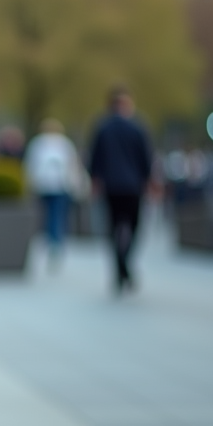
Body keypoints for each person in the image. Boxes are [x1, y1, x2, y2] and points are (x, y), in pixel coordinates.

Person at [88, 86, 153, 293]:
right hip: (133, 186)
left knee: (112, 228)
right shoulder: (138, 127)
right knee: (134, 227)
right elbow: (146, 158)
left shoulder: (102, 127)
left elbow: (94, 158)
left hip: (110, 186)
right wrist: (149, 180)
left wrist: (94, 181)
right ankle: (124, 264)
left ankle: (120, 266)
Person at [24, 118, 86, 266]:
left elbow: (31, 165)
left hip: (47, 185)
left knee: (50, 215)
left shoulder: (38, 144)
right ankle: (56, 241)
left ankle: (53, 240)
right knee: (57, 215)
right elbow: (72, 165)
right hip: (58, 185)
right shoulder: (63, 144)